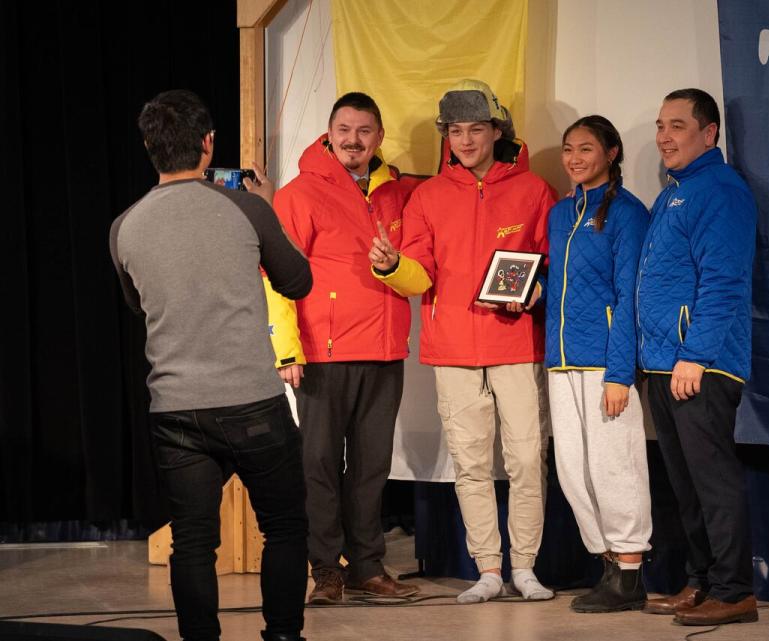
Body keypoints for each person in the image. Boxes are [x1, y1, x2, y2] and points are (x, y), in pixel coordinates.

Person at [109, 89, 312, 641]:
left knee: (193, 541)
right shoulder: (245, 207)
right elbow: (299, 281)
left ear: (150, 146)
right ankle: (283, 636)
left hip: (175, 408)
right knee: (286, 527)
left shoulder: (124, 226)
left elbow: (136, 304)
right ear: (208, 144)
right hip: (251, 402)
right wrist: (265, 214)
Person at [368, 79, 556, 604]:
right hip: (452, 349)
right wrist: (391, 267)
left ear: (498, 131)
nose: (466, 140)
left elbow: (551, 263)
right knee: (470, 464)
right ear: (445, 135)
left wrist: (537, 290)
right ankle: (489, 570)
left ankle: (526, 568)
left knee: (525, 461)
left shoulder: (534, 190)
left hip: (517, 345)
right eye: (456, 130)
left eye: (476, 129)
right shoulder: (428, 196)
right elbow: (419, 275)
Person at [267, 92, 420, 602]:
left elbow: (416, 272)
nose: (354, 140)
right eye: (344, 130)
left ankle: (368, 568)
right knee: (320, 466)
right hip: (322, 355)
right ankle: (326, 571)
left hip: (383, 352)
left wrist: (393, 266)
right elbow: (275, 279)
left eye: (364, 131)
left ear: (378, 136)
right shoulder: (299, 194)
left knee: (372, 467)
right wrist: (287, 351)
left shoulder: (398, 193)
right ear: (329, 133)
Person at [637, 88, 758, 626]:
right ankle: (701, 580)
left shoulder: (720, 190)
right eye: (661, 125)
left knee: (712, 482)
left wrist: (696, 355)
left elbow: (724, 281)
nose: (665, 136)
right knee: (685, 485)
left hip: (699, 365)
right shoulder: (674, 192)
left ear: (709, 133)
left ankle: (734, 591)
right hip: (664, 363)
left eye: (678, 126)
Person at [543, 115, 652, 613]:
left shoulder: (628, 213)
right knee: (573, 469)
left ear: (611, 153)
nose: (574, 158)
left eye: (585, 148)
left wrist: (619, 374)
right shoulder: (561, 214)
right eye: (568, 149)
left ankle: (630, 573)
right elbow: (565, 286)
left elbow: (631, 296)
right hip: (562, 360)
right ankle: (608, 564)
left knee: (615, 467)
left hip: (605, 362)